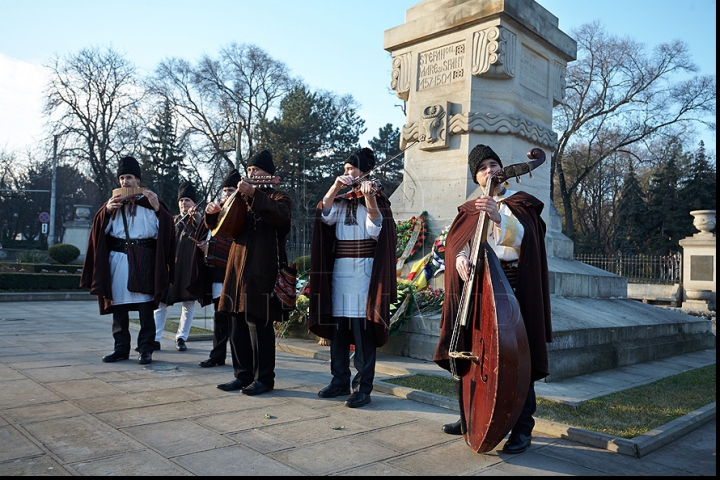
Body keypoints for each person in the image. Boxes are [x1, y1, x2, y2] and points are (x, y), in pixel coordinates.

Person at [434, 144, 552, 454]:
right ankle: (469, 415)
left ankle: (523, 429)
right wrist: (459, 257)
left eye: (493, 164)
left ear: (503, 172)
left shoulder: (520, 204)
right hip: (476, 289)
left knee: (517, 358)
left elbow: (528, 239)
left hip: (511, 287)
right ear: (476, 176)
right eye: (483, 167)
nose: (489, 170)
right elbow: (458, 244)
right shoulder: (469, 209)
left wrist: (498, 216)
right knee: (468, 351)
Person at [308, 147, 398, 409]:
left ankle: (362, 387)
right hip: (340, 272)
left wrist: (369, 199)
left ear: (364, 172)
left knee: (362, 333)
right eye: (345, 169)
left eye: (351, 170)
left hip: (364, 271)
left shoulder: (376, 196)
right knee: (339, 332)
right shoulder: (341, 198)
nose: (347, 173)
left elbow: (375, 230)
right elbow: (324, 216)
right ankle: (339, 381)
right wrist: (335, 187)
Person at [80, 155, 175, 365]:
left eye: (129, 177)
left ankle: (146, 349)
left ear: (138, 180)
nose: (125, 182)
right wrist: (106, 212)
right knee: (119, 307)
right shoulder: (112, 205)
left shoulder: (151, 202)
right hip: (119, 260)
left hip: (144, 259)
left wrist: (158, 209)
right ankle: (120, 348)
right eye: (122, 178)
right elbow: (99, 232)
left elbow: (167, 231)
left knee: (145, 308)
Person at [213, 150, 291, 396]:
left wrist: (254, 195)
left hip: (263, 270)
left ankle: (264, 379)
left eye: (255, 170)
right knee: (236, 323)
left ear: (268, 173)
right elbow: (223, 228)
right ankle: (242, 375)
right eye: (248, 170)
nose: (250, 174)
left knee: (259, 324)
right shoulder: (237, 198)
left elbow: (281, 217)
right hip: (236, 270)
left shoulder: (280, 197)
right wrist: (212, 213)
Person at [188, 169, 240, 368]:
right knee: (219, 317)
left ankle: (238, 359)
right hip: (216, 272)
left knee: (233, 320)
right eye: (225, 190)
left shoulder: (241, 211)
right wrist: (204, 246)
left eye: (231, 190)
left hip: (233, 272)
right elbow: (207, 234)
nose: (227, 194)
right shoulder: (215, 211)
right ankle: (217, 355)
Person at [152, 181, 202, 352]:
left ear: (194, 203)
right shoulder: (172, 220)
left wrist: (196, 217)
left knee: (188, 305)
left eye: (187, 200)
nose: (184, 203)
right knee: (161, 304)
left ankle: (181, 337)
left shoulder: (198, 220)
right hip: (169, 269)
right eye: (181, 200)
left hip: (188, 269)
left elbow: (205, 230)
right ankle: (155, 338)